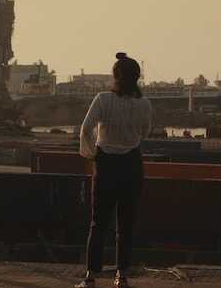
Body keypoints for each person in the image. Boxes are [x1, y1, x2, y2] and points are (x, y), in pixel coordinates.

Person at [75, 53, 152, 288]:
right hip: (131, 164)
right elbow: (145, 133)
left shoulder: (102, 99)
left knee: (98, 222)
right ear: (137, 77)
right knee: (125, 223)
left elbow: (85, 130)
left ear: (115, 76)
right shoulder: (144, 103)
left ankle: (90, 277)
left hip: (106, 163)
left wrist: (92, 153)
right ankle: (122, 276)